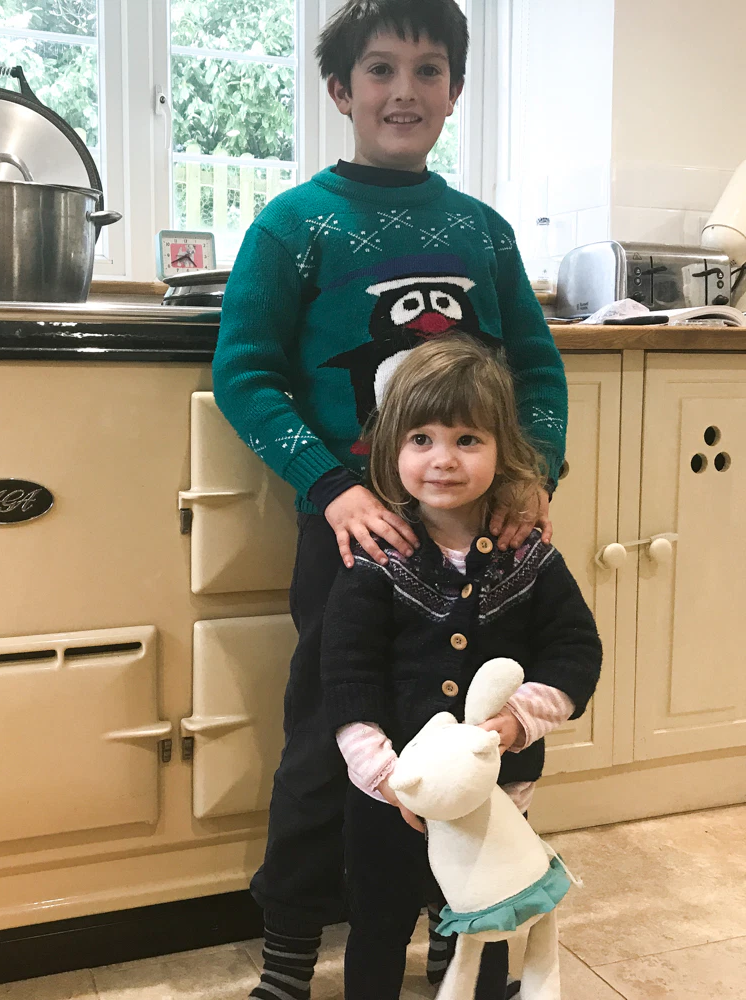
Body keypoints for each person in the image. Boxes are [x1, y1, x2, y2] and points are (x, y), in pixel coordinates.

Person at [211, 3, 570, 997]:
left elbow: (538, 376)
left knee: (488, 742)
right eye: (378, 70)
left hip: (481, 547)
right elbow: (247, 373)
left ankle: (473, 937)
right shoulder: (292, 225)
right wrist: (327, 487)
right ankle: (288, 960)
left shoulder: (481, 232)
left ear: (455, 90)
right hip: (356, 542)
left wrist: (532, 479)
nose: (402, 90)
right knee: (329, 745)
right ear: (340, 90)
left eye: (426, 70)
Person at [320, 336, 601, 999]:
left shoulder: (530, 561)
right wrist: (384, 776)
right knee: (379, 923)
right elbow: (346, 676)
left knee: (487, 924)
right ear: (391, 450)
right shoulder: (377, 562)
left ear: (503, 450)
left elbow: (575, 652)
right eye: (421, 439)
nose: (443, 459)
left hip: (499, 796)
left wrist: (517, 722)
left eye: (468, 439)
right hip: (389, 798)